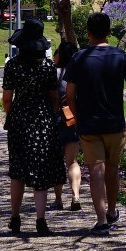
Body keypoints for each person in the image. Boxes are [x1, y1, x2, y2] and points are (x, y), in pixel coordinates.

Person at [64, 10, 126, 233]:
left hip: (89, 125)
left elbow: (69, 95)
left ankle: (101, 220)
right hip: (115, 124)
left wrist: (75, 118)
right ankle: (112, 211)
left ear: (88, 33)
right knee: (112, 170)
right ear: (109, 32)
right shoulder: (120, 56)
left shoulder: (79, 58)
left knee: (96, 170)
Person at [1, 20, 63, 236]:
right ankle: (40, 220)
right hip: (42, 120)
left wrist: (13, 115)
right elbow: (54, 96)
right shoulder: (47, 67)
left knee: (17, 171)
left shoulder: (12, 65)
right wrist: (50, 112)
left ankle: (15, 218)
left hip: (19, 121)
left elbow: (7, 99)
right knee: (41, 171)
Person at [51, 41, 84, 211]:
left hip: (54, 122)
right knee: (72, 161)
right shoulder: (78, 75)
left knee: (57, 162)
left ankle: (58, 199)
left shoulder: (51, 73)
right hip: (72, 120)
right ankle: (76, 195)